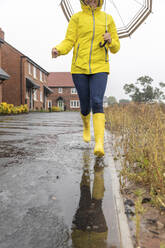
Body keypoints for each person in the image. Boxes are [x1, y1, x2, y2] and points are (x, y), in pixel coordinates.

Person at [52, 0, 120, 157]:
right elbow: (69, 41)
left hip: (100, 68)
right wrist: (58, 49)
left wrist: (111, 40)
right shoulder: (76, 18)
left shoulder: (107, 19)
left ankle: (99, 144)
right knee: (84, 105)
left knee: (97, 101)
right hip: (79, 68)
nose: (91, 1)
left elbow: (116, 48)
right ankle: (86, 127)